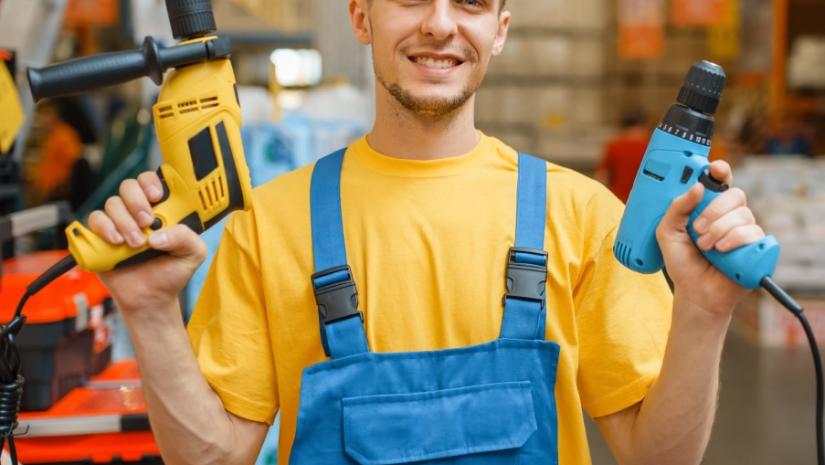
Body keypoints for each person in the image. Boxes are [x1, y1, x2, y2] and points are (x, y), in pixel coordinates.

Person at [88, 1, 767, 464]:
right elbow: (214, 455)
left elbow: (657, 455)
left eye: (469, 1)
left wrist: (703, 315)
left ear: (499, 29)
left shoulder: (580, 214)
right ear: (361, 15)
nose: (440, 25)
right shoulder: (268, 224)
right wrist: (148, 311)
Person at [595, 109, 649, 203]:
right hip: (642, 201)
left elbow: (603, 177)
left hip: (617, 200)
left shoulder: (615, 145)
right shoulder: (650, 147)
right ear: (644, 124)